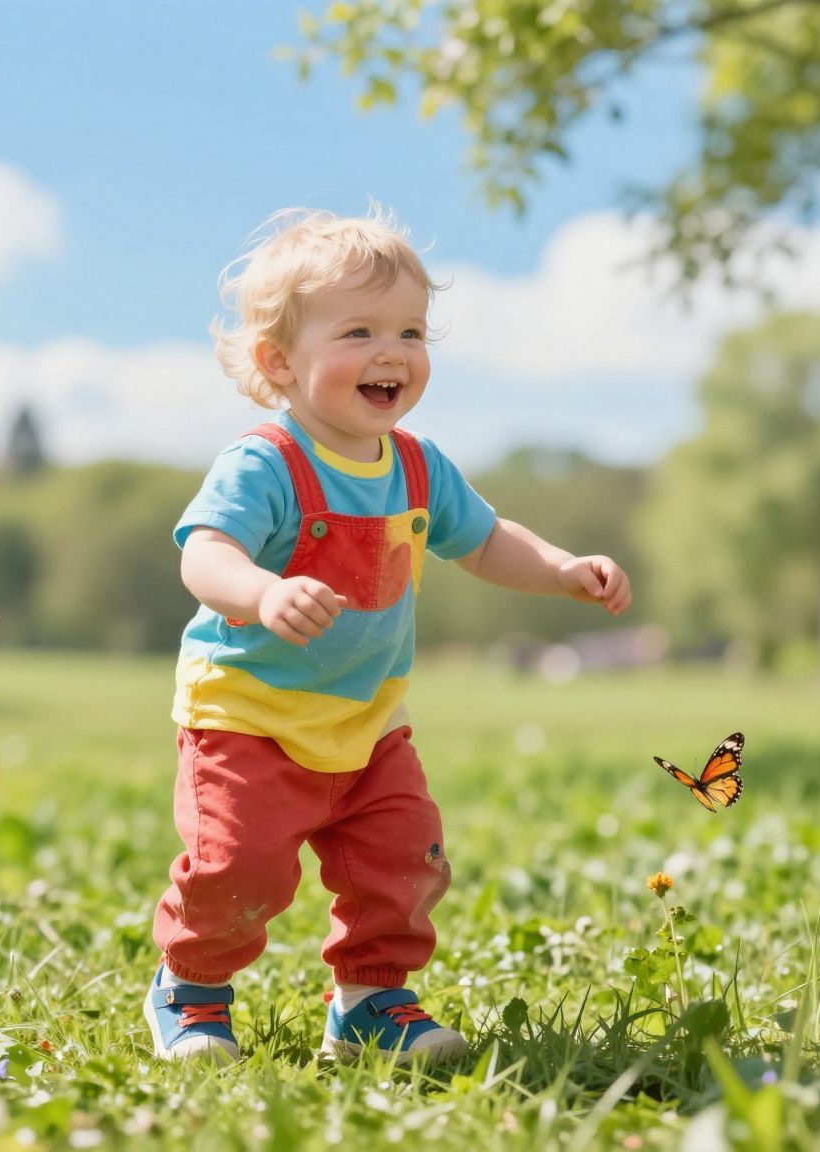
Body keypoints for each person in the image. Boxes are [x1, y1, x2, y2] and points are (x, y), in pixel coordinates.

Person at [147, 207, 634, 1065]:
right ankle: (190, 993)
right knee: (241, 868)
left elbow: (485, 539)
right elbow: (206, 554)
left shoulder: (416, 466)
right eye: (360, 331)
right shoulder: (266, 462)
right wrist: (261, 592)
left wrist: (559, 568)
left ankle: (372, 1002)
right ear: (278, 362)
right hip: (249, 720)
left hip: (368, 722)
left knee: (403, 859)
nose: (392, 352)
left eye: (410, 330)